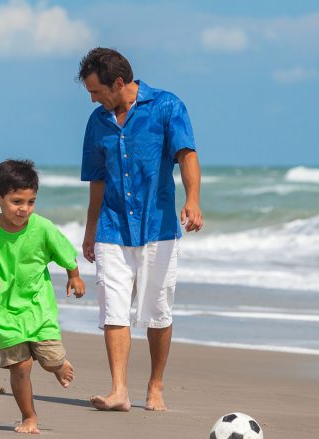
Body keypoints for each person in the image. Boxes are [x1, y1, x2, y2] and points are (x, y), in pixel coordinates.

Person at [78, 47, 203, 411]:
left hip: (158, 226)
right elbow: (97, 182)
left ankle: (156, 385)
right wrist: (90, 230)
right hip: (111, 228)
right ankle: (119, 390)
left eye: (97, 91)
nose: (92, 98)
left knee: (157, 310)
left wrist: (193, 200)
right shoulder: (96, 122)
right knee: (113, 308)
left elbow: (186, 155)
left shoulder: (167, 106)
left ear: (119, 83)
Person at [0, 159, 85, 434]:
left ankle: (59, 364)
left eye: (31, 201)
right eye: (17, 201)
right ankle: (29, 416)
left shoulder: (42, 227)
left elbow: (65, 252)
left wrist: (74, 276)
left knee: (49, 359)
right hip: (5, 313)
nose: (24, 209)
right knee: (20, 367)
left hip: (39, 308)